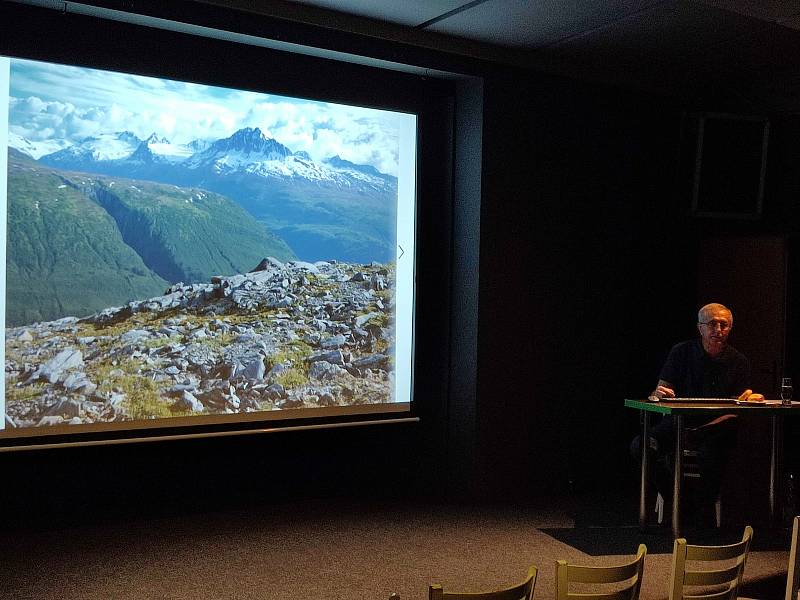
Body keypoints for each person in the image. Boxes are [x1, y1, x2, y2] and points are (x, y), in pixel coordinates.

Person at [631, 302, 750, 527]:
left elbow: (736, 410)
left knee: (713, 452)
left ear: (730, 328)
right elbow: (659, 392)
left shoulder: (739, 362)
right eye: (712, 324)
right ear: (700, 328)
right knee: (642, 446)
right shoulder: (681, 352)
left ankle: (703, 512)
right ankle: (681, 502)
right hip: (677, 423)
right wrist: (657, 393)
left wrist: (701, 432)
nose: (718, 330)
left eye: (723, 325)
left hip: (715, 427)